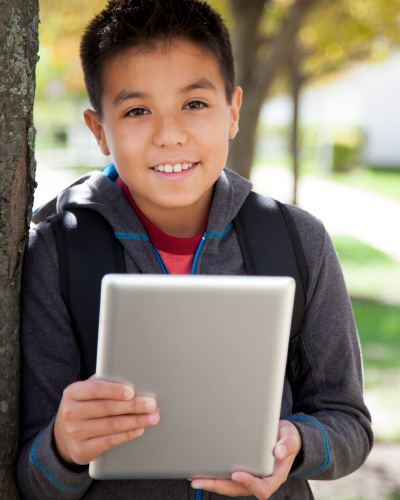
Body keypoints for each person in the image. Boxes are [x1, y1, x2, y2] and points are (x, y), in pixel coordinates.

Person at [16, 1, 373, 499]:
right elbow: (34, 479)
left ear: (233, 112)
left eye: (195, 104)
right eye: (137, 110)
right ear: (99, 131)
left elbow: (349, 423)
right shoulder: (58, 253)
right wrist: (62, 447)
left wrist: (297, 442)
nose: (170, 135)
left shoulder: (297, 241)